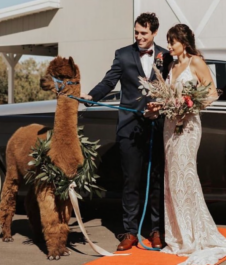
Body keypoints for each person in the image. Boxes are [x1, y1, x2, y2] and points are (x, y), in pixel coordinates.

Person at [148, 24, 226, 265]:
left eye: (173, 41)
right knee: (172, 180)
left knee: (185, 177)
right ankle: (178, 236)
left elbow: (211, 92)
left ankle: (193, 235)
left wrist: (189, 104)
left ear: (184, 41)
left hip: (188, 127)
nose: (169, 46)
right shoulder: (171, 64)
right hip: (170, 126)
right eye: (168, 41)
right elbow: (168, 95)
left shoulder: (196, 62)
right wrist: (160, 105)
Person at [80, 13, 173, 251]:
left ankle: (156, 230)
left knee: (156, 181)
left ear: (154, 33)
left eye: (144, 33)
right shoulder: (122, 54)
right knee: (130, 181)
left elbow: (173, 87)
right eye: (136, 32)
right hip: (129, 127)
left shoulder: (166, 55)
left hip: (157, 126)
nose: (139, 37)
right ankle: (130, 232)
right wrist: (92, 96)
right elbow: (108, 82)